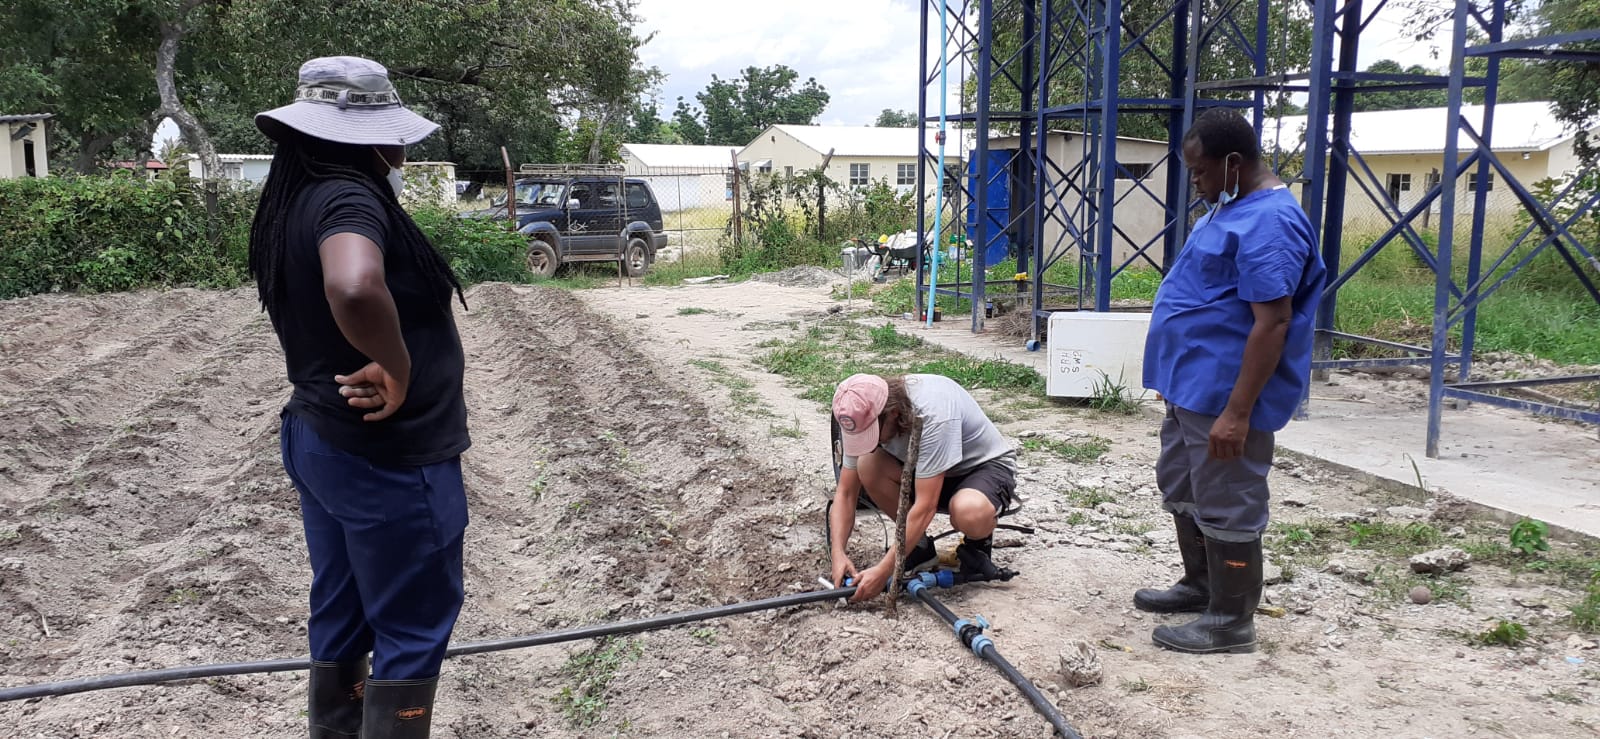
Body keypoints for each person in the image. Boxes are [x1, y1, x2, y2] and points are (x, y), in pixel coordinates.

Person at [249, 56, 471, 738]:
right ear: (371, 139)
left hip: (323, 438)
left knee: (342, 613)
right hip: (386, 456)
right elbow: (352, 284)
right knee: (412, 627)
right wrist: (398, 364)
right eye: (394, 137)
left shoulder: (294, 199)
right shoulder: (349, 198)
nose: (402, 152)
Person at [1135, 107, 1326, 654]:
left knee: (1228, 496)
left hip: (1224, 394)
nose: (1194, 182)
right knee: (1183, 485)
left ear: (1235, 162)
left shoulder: (1270, 222)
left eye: (1200, 171)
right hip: (1192, 387)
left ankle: (1231, 621)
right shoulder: (1229, 206)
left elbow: (1273, 322)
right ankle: (1201, 586)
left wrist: (1238, 412)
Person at [827, 373, 1018, 602]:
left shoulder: (934, 414)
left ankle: (977, 545)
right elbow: (846, 493)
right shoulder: (859, 414)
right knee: (867, 464)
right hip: (925, 472)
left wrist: (883, 571)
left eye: (872, 436)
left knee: (969, 512)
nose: (870, 443)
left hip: (978, 469)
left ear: (893, 413)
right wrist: (838, 553)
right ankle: (920, 549)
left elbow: (926, 507)